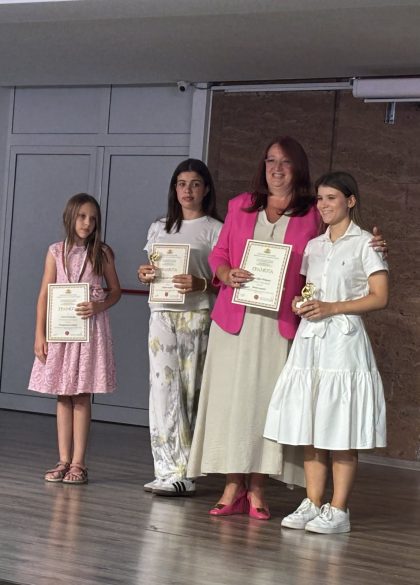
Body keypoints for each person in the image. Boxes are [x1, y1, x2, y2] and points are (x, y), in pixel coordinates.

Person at [187, 137, 387, 520]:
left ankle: (258, 488)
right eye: (270, 161)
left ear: (299, 168)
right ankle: (232, 485)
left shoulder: (314, 212)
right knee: (231, 404)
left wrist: (376, 246)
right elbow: (220, 253)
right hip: (234, 319)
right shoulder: (240, 205)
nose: (276, 169)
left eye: (285, 162)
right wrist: (225, 273)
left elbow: (343, 242)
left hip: (280, 323)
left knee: (266, 405)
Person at [264, 171, 388, 534]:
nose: (323, 205)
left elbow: (380, 297)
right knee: (311, 424)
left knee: (340, 427)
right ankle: (313, 502)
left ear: (350, 201)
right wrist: (299, 303)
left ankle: (339, 509)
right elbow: (309, 291)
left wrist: (333, 307)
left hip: (343, 345)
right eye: (319, 198)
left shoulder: (366, 243)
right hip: (311, 343)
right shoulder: (315, 246)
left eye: (331, 198)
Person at [137, 158, 223, 496]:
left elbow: (224, 281)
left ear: (206, 189)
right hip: (161, 312)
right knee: (161, 389)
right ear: (175, 189)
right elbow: (151, 269)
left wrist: (201, 284)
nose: (188, 190)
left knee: (188, 390)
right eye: (182, 184)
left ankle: (185, 472)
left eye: (195, 184)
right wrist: (144, 274)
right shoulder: (159, 227)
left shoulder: (215, 229)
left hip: (196, 314)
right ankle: (164, 468)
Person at [29, 193, 121, 484]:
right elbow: (44, 294)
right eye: (82, 216)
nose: (87, 223)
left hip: (88, 331)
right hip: (60, 330)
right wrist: (39, 333)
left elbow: (115, 291)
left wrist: (99, 305)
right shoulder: (55, 251)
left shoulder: (102, 252)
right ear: (70, 217)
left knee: (81, 394)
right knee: (62, 392)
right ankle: (63, 459)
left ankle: (79, 463)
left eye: (93, 218)